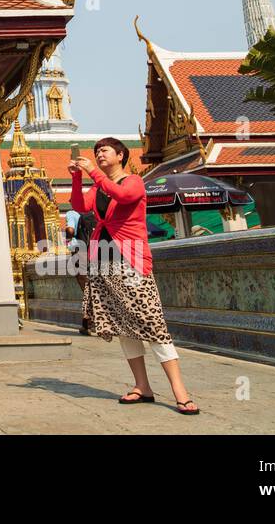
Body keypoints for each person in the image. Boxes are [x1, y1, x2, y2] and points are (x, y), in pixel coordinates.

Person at [71, 137, 199, 416]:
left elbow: (125, 197)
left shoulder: (133, 182)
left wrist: (92, 170)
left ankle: (180, 391)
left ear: (120, 155)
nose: (99, 154)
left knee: (152, 323)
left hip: (131, 261)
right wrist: (75, 177)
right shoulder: (97, 188)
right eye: (96, 152)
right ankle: (142, 386)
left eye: (103, 151)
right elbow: (79, 206)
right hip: (104, 262)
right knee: (123, 325)